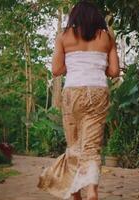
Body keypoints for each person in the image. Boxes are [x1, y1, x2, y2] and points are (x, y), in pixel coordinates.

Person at [37, 1, 119, 200]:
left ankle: (76, 195)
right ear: (96, 17)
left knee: (74, 145)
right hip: (98, 91)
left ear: (74, 17)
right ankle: (91, 189)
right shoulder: (107, 37)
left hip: (73, 92)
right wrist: (99, 65)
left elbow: (56, 69)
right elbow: (114, 71)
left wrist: (73, 63)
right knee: (91, 146)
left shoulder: (64, 37)